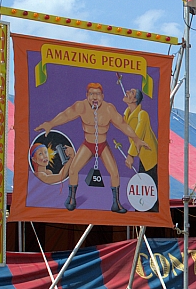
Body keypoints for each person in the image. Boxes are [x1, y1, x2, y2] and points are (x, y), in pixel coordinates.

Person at [36, 83, 148, 213]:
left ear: (102, 96)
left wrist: (136, 138)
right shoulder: (81, 106)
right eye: (91, 94)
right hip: (88, 144)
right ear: (87, 96)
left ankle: (116, 203)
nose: (95, 97)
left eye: (97, 94)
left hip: (102, 144)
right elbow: (66, 115)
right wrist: (51, 123)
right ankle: (71, 199)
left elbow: (122, 125)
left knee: (115, 173)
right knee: (73, 170)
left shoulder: (109, 109)